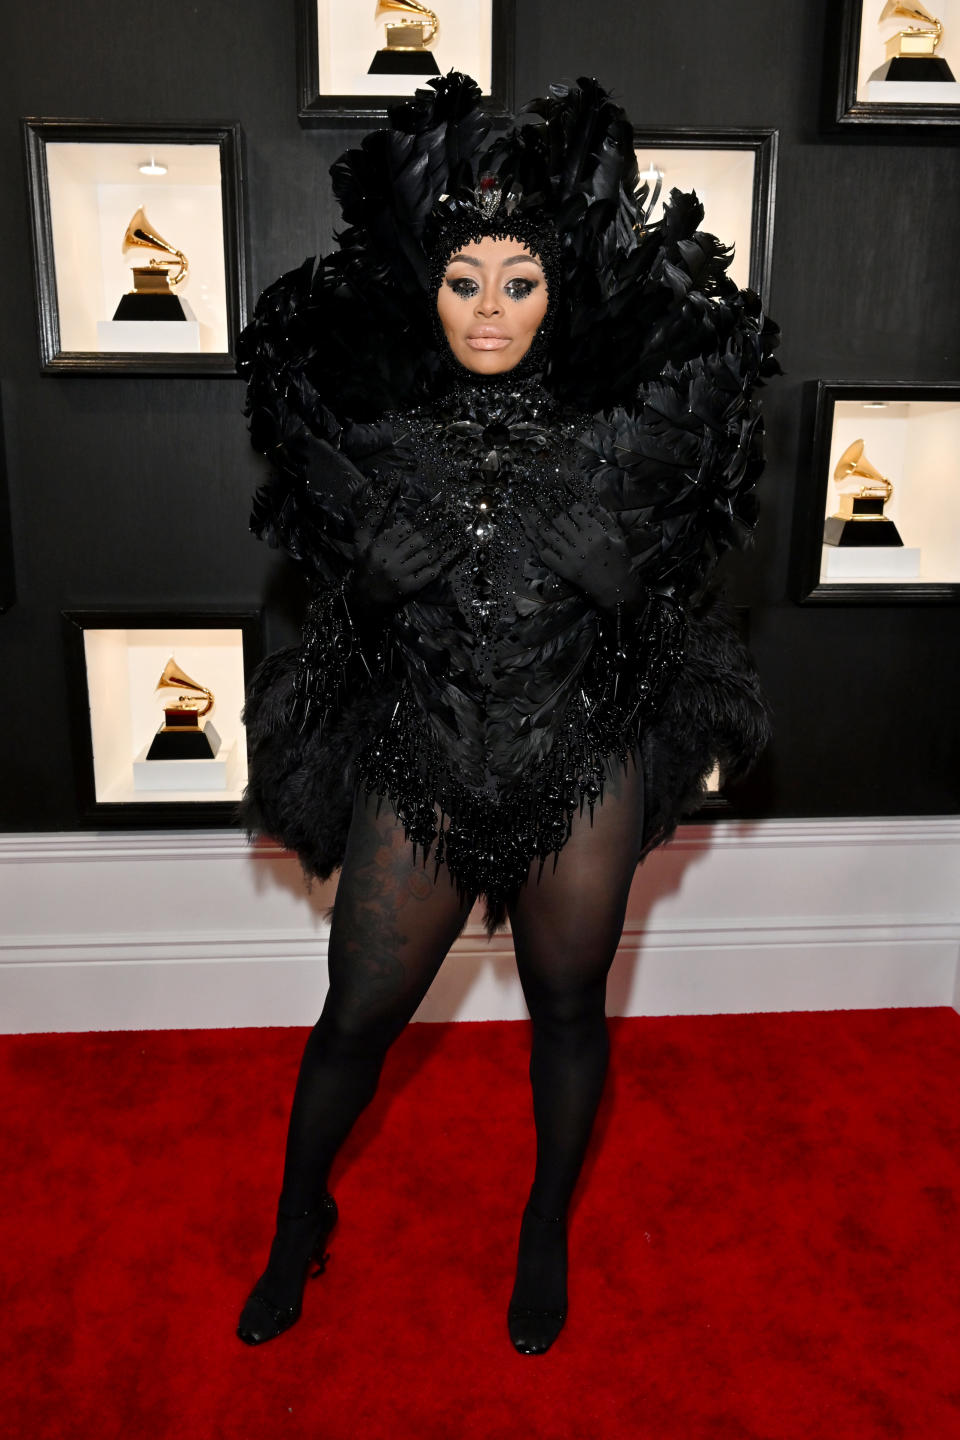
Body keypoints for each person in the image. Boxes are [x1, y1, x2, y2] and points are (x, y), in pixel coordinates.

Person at [234, 72, 779, 1355]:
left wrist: (622, 591)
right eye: (465, 281)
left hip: (575, 759)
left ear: (558, 292)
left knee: (571, 1012)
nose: (490, 309)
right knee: (355, 1019)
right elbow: (328, 653)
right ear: (426, 285)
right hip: (417, 756)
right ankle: (296, 1219)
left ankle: (545, 1224)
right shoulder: (367, 426)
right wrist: (364, 592)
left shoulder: (627, 435)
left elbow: (682, 659)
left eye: (519, 283)